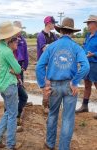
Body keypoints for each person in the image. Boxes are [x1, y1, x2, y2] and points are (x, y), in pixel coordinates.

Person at [36, 17, 90, 150]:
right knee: (67, 118)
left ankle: (49, 143)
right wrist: (75, 81)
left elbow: (39, 67)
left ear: (60, 31)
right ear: (71, 32)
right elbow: (86, 67)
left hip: (53, 86)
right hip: (70, 87)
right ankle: (64, 147)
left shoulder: (52, 47)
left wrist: (44, 86)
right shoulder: (76, 47)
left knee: (53, 114)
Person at [0, 21, 21, 150]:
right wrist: (14, 70)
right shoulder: (7, 51)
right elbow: (18, 69)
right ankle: (10, 145)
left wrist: (12, 69)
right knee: (12, 115)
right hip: (10, 85)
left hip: (2, 85)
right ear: (9, 36)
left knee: (8, 113)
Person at [75, 15, 97, 119]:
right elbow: (84, 47)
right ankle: (85, 106)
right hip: (87, 63)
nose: (87, 25)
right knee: (87, 85)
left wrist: (94, 54)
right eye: (87, 23)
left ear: (95, 24)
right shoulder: (88, 35)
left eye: (89, 23)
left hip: (95, 64)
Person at [37, 16, 58, 114]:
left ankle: (50, 104)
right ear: (48, 23)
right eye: (53, 23)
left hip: (52, 64)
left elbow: (58, 46)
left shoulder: (54, 35)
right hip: (44, 64)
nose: (54, 25)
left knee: (52, 83)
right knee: (46, 84)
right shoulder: (41, 35)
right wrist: (53, 47)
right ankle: (45, 105)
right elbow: (44, 50)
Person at [8, 36, 28, 128]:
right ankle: (11, 124)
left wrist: (19, 78)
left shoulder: (14, 52)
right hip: (9, 82)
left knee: (23, 96)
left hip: (15, 79)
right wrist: (17, 72)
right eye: (16, 42)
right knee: (11, 101)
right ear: (10, 43)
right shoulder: (8, 53)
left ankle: (17, 115)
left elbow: (16, 69)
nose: (18, 44)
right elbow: (12, 69)